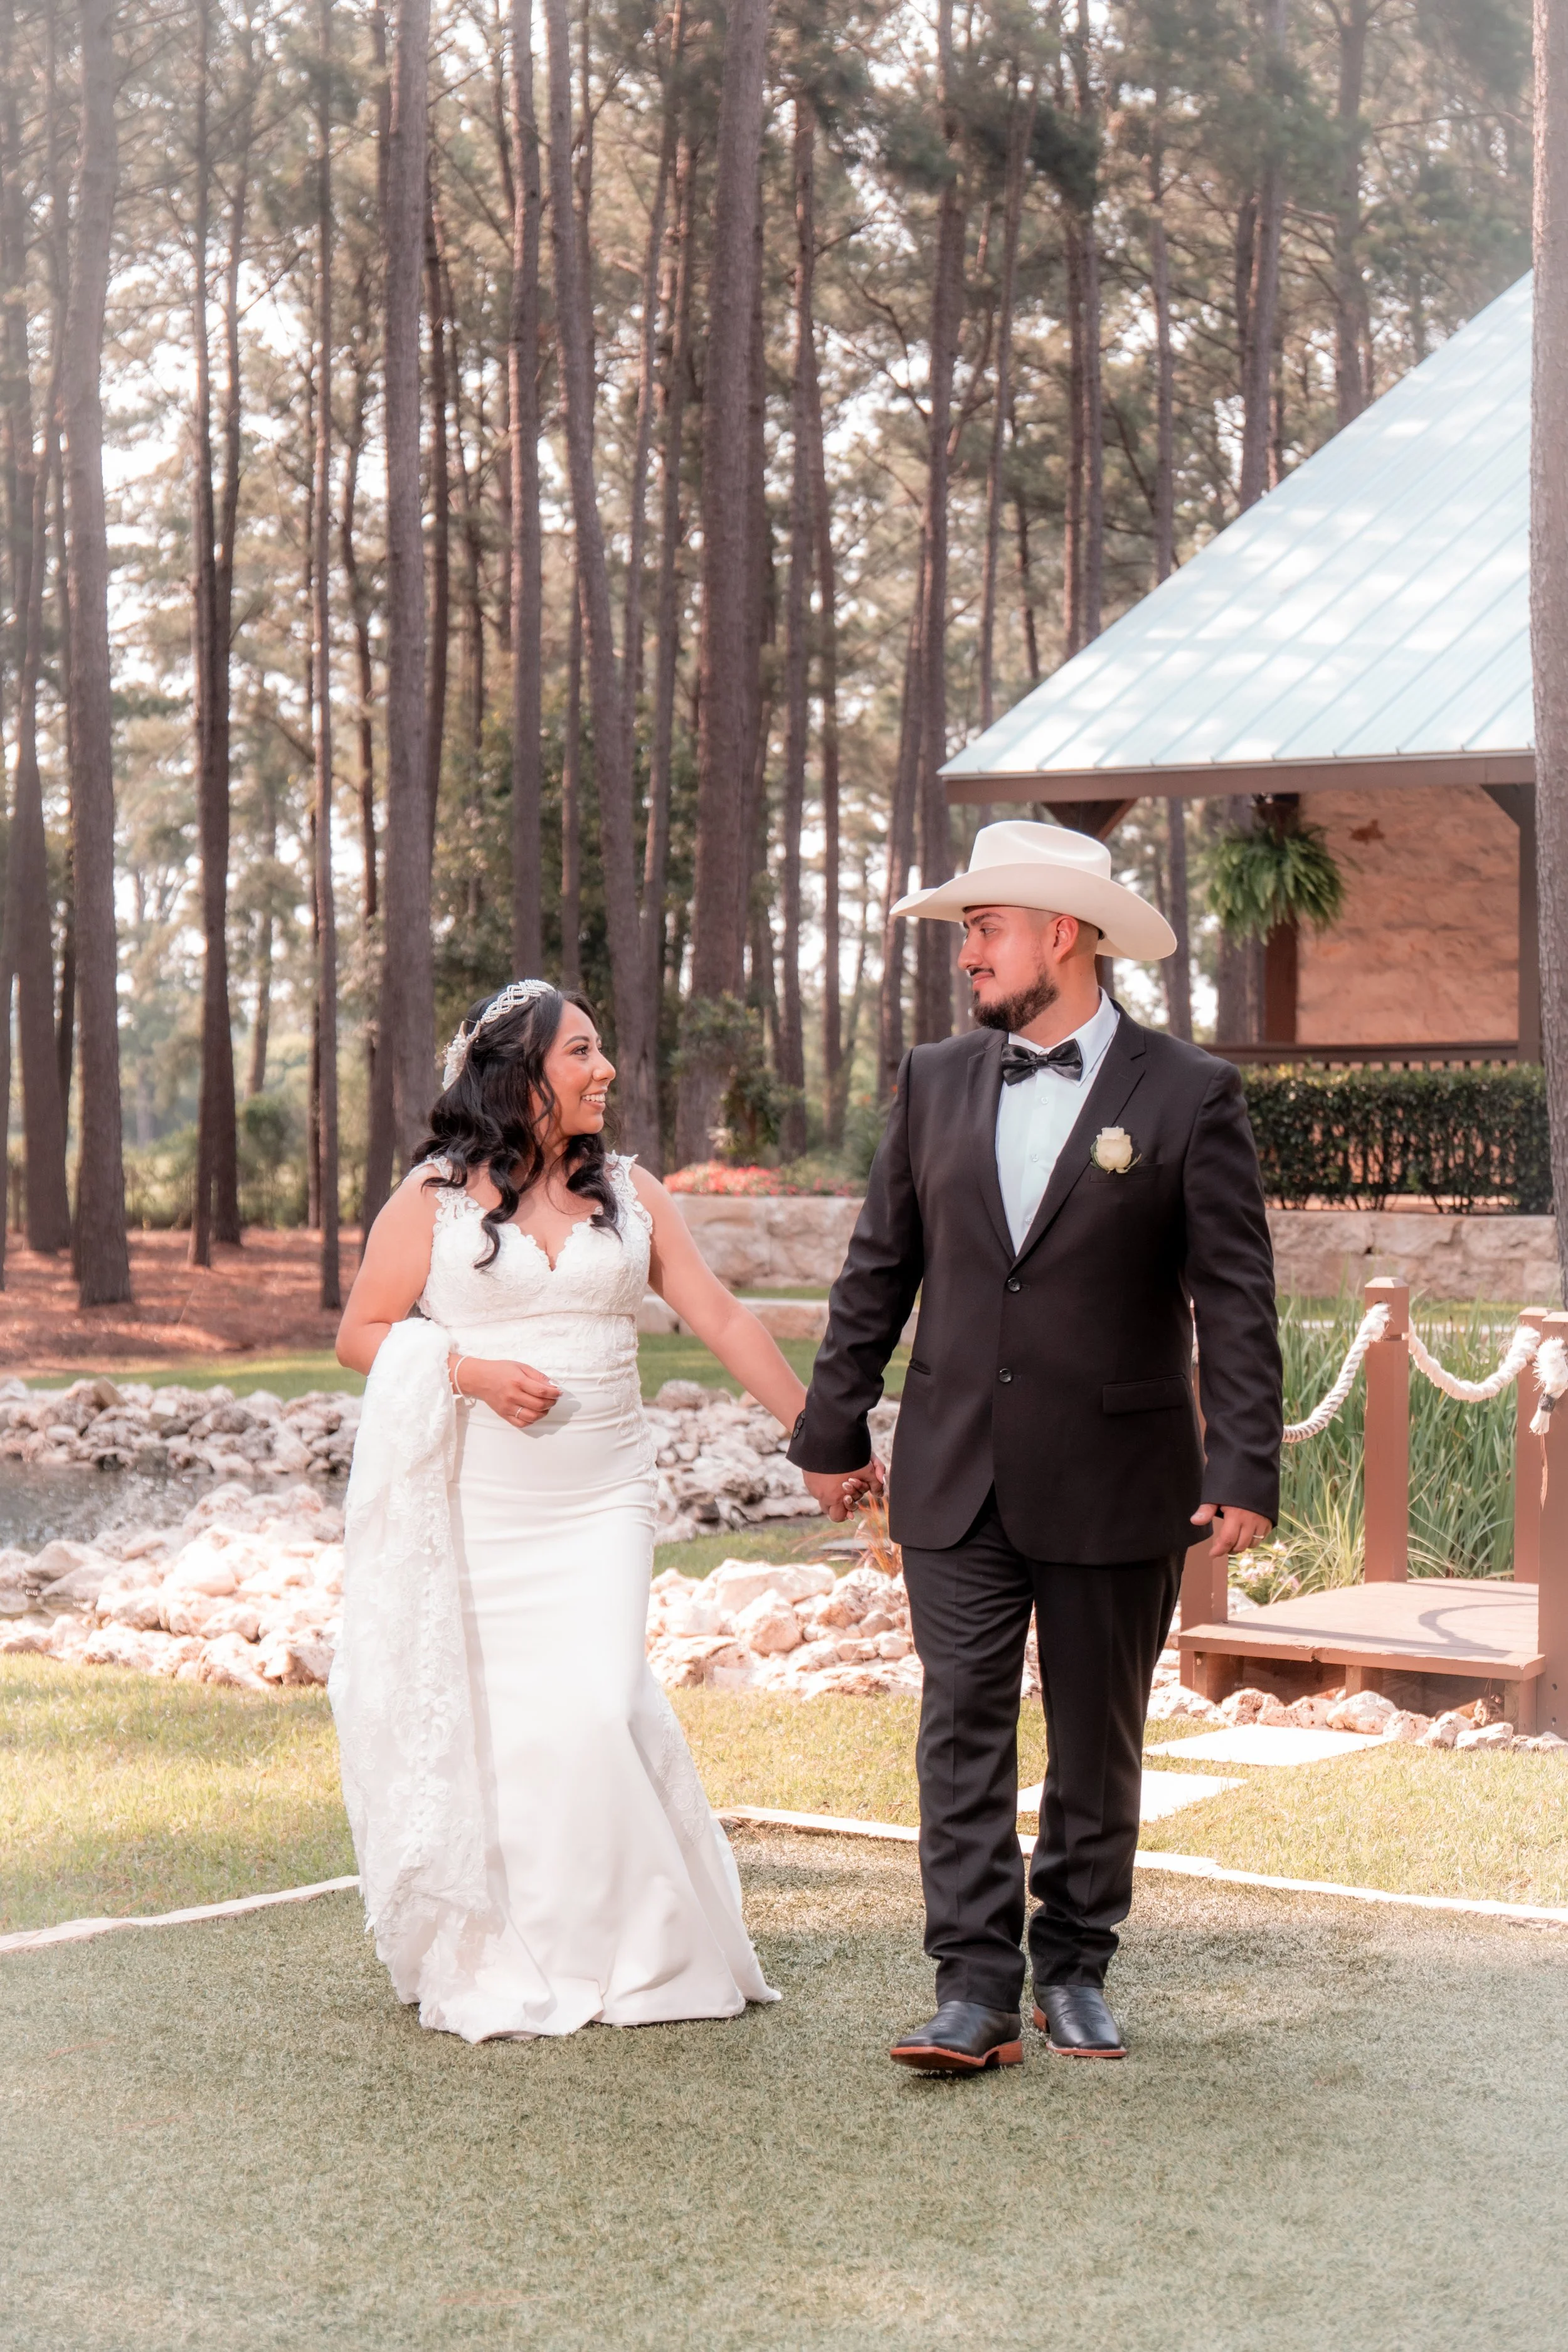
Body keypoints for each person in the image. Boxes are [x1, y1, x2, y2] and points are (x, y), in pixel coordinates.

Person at [789, 821, 1282, 2072]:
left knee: (1097, 1729)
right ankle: (970, 1985)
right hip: (954, 1467)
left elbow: (1232, 1294)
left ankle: (1073, 1965)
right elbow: (876, 1269)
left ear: (1060, 934)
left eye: (985, 929)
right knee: (958, 1721)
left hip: (1120, 1477)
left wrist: (1243, 1467)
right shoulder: (932, 1079)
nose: (968, 957)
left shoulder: (1186, 1095)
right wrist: (832, 1425)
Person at [332, 979, 843, 2043]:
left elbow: (721, 1315)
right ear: (520, 1075)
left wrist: (816, 1435)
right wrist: (464, 1368)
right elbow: (363, 1333)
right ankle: (526, 1950)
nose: (604, 1069)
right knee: (510, 1728)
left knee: (598, 1699)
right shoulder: (431, 1198)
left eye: (601, 1051)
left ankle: (650, 1949)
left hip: (605, 1493)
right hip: (485, 1501)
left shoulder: (635, 1193)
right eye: (582, 1051)